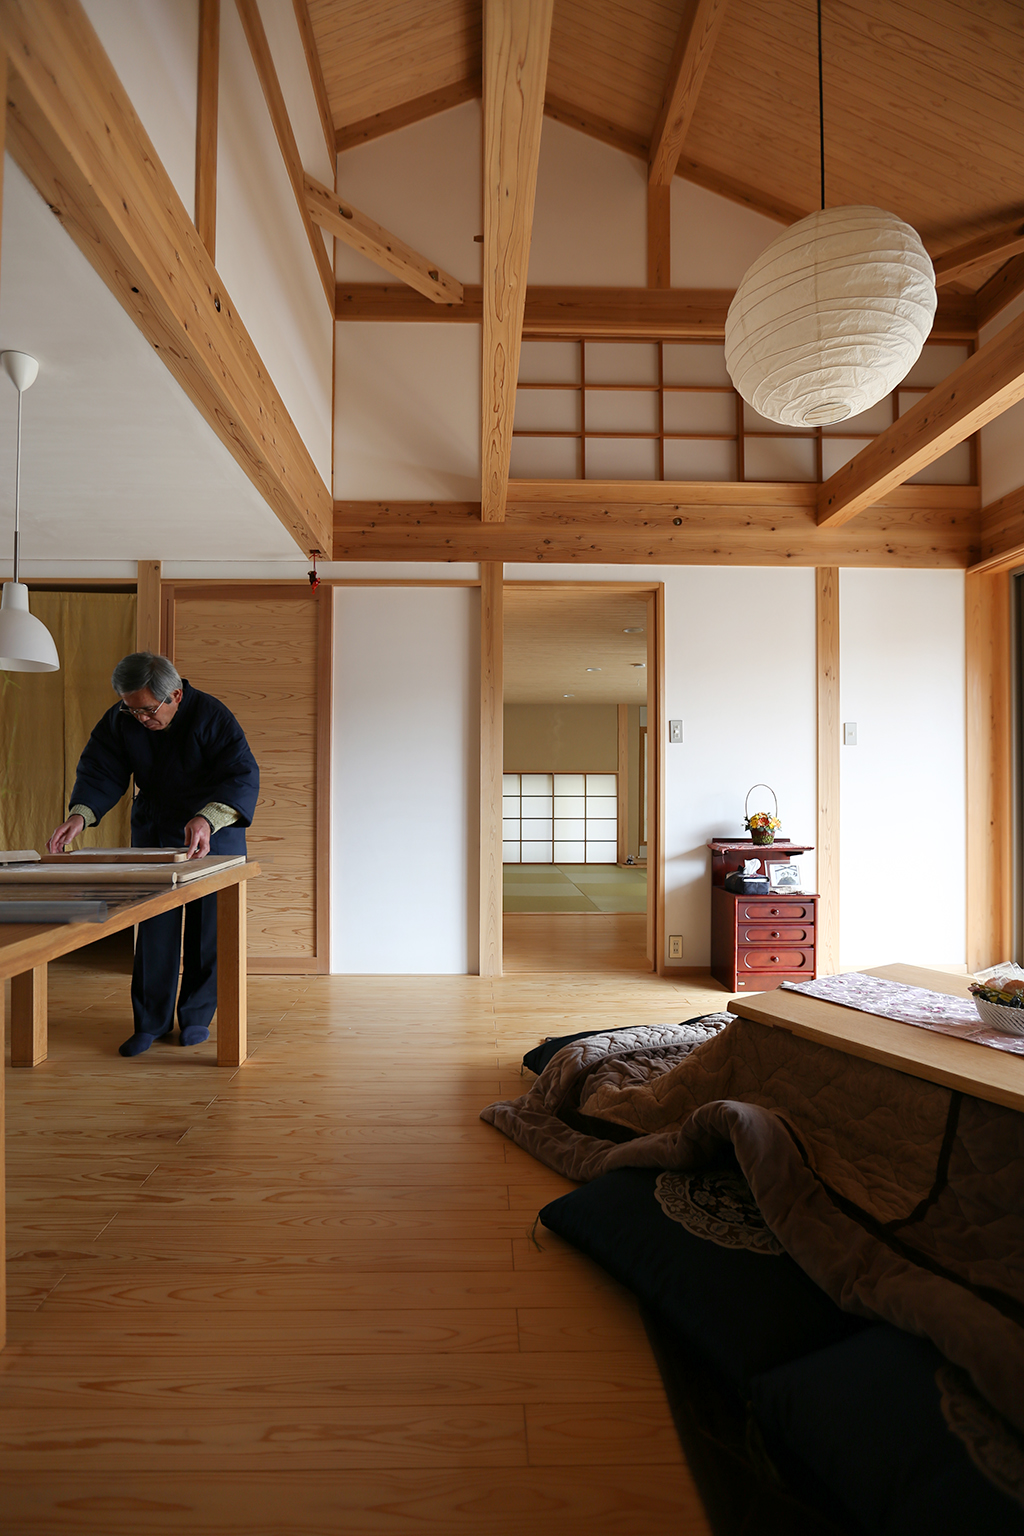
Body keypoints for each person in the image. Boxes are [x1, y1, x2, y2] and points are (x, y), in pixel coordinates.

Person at [47, 652, 259, 1057]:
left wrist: (207, 818)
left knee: (208, 929)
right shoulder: (122, 717)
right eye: (131, 710)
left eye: (146, 710)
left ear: (175, 695)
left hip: (213, 829)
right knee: (153, 926)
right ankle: (150, 1022)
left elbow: (242, 773)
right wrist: (81, 815)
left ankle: (197, 1016)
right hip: (155, 824)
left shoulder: (212, 715)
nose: (140, 719)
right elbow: (101, 768)